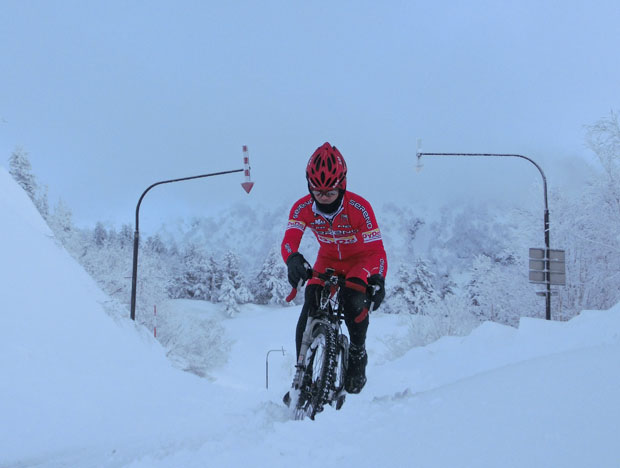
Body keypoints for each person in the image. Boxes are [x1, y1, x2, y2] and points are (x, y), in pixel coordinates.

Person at [281, 142, 387, 395]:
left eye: (330, 192)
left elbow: (377, 251)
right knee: (310, 302)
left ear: (342, 185)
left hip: (359, 260)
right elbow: (289, 241)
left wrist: (378, 278)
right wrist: (293, 259)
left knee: (353, 299)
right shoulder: (302, 207)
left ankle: (357, 354)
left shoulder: (360, 208)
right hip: (327, 259)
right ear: (309, 186)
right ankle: (303, 373)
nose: (324, 197)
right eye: (318, 192)